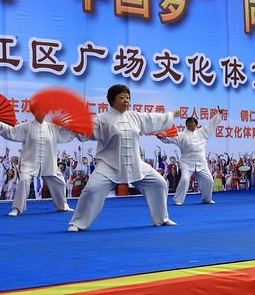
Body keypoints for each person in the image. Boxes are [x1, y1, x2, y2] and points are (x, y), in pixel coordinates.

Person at [68, 84, 178, 231]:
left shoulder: (135, 116)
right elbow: (85, 132)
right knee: (92, 189)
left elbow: (153, 119)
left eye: (128, 97)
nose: (126, 100)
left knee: (159, 184)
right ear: (112, 100)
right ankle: (77, 223)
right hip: (109, 165)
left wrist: (170, 116)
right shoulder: (102, 119)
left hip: (135, 164)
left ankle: (161, 219)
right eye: (121, 97)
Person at [0, 99, 76, 216]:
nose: (40, 112)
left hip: (48, 163)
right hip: (30, 163)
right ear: (33, 112)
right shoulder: (26, 126)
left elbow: (66, 133)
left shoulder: (52, 128)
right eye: (38, 110)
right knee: (23, 181)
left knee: (60, 182)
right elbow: (10, 131)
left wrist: (76, 127)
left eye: (43, 110)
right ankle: (17, 209)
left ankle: (62, 206)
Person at [157, 109, 223, 205]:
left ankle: (206, 199)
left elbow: (211, 125)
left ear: (196, 124)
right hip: (187, 163)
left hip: (201, 163)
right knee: (184, 179)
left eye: (193, 122)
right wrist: (162, 137)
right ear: (186, 125)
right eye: (189, 122)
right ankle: (178, 200)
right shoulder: (181, 135)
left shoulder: (203, 132)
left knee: (209, 181)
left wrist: (218, 115)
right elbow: (170, 139)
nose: (191, 124)